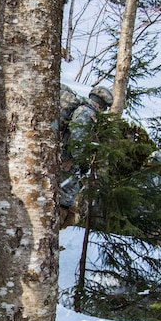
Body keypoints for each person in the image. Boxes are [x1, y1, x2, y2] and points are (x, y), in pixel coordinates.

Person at [57, 85, 106, 228]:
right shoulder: (87, 112)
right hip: (67, 163)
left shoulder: (81, 107)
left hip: (65, 160)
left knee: (65, 201)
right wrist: (82, 161)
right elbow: (77, 139)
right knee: (63, 201)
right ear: (101, 105)